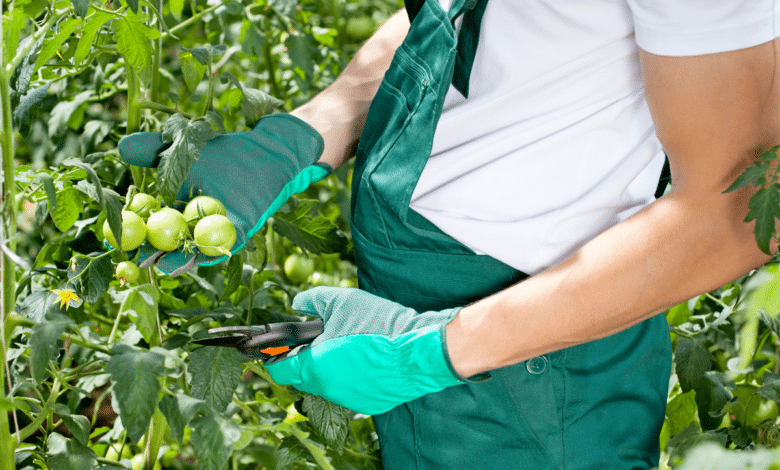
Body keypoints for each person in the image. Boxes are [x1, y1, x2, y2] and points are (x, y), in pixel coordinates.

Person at [119, 1, 780, 468]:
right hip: (431, 318)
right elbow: (448, 20)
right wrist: (303, 134)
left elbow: (736, 212)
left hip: (535, 364)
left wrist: (435, 351)